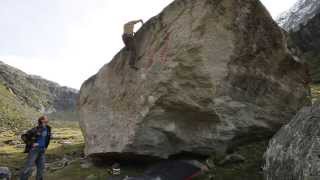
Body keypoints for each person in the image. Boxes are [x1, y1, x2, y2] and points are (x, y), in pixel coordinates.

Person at [20, 116, 52, 180]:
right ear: (42, 120)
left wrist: (45, 147)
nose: (47, 119)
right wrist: (32, 144)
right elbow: (23, 136)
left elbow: (47, 139)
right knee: (28, 167)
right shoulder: (36, 129)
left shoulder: (48, 128)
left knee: (41, 168)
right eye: (46, 118)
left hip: (42, 150)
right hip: (34, 150)